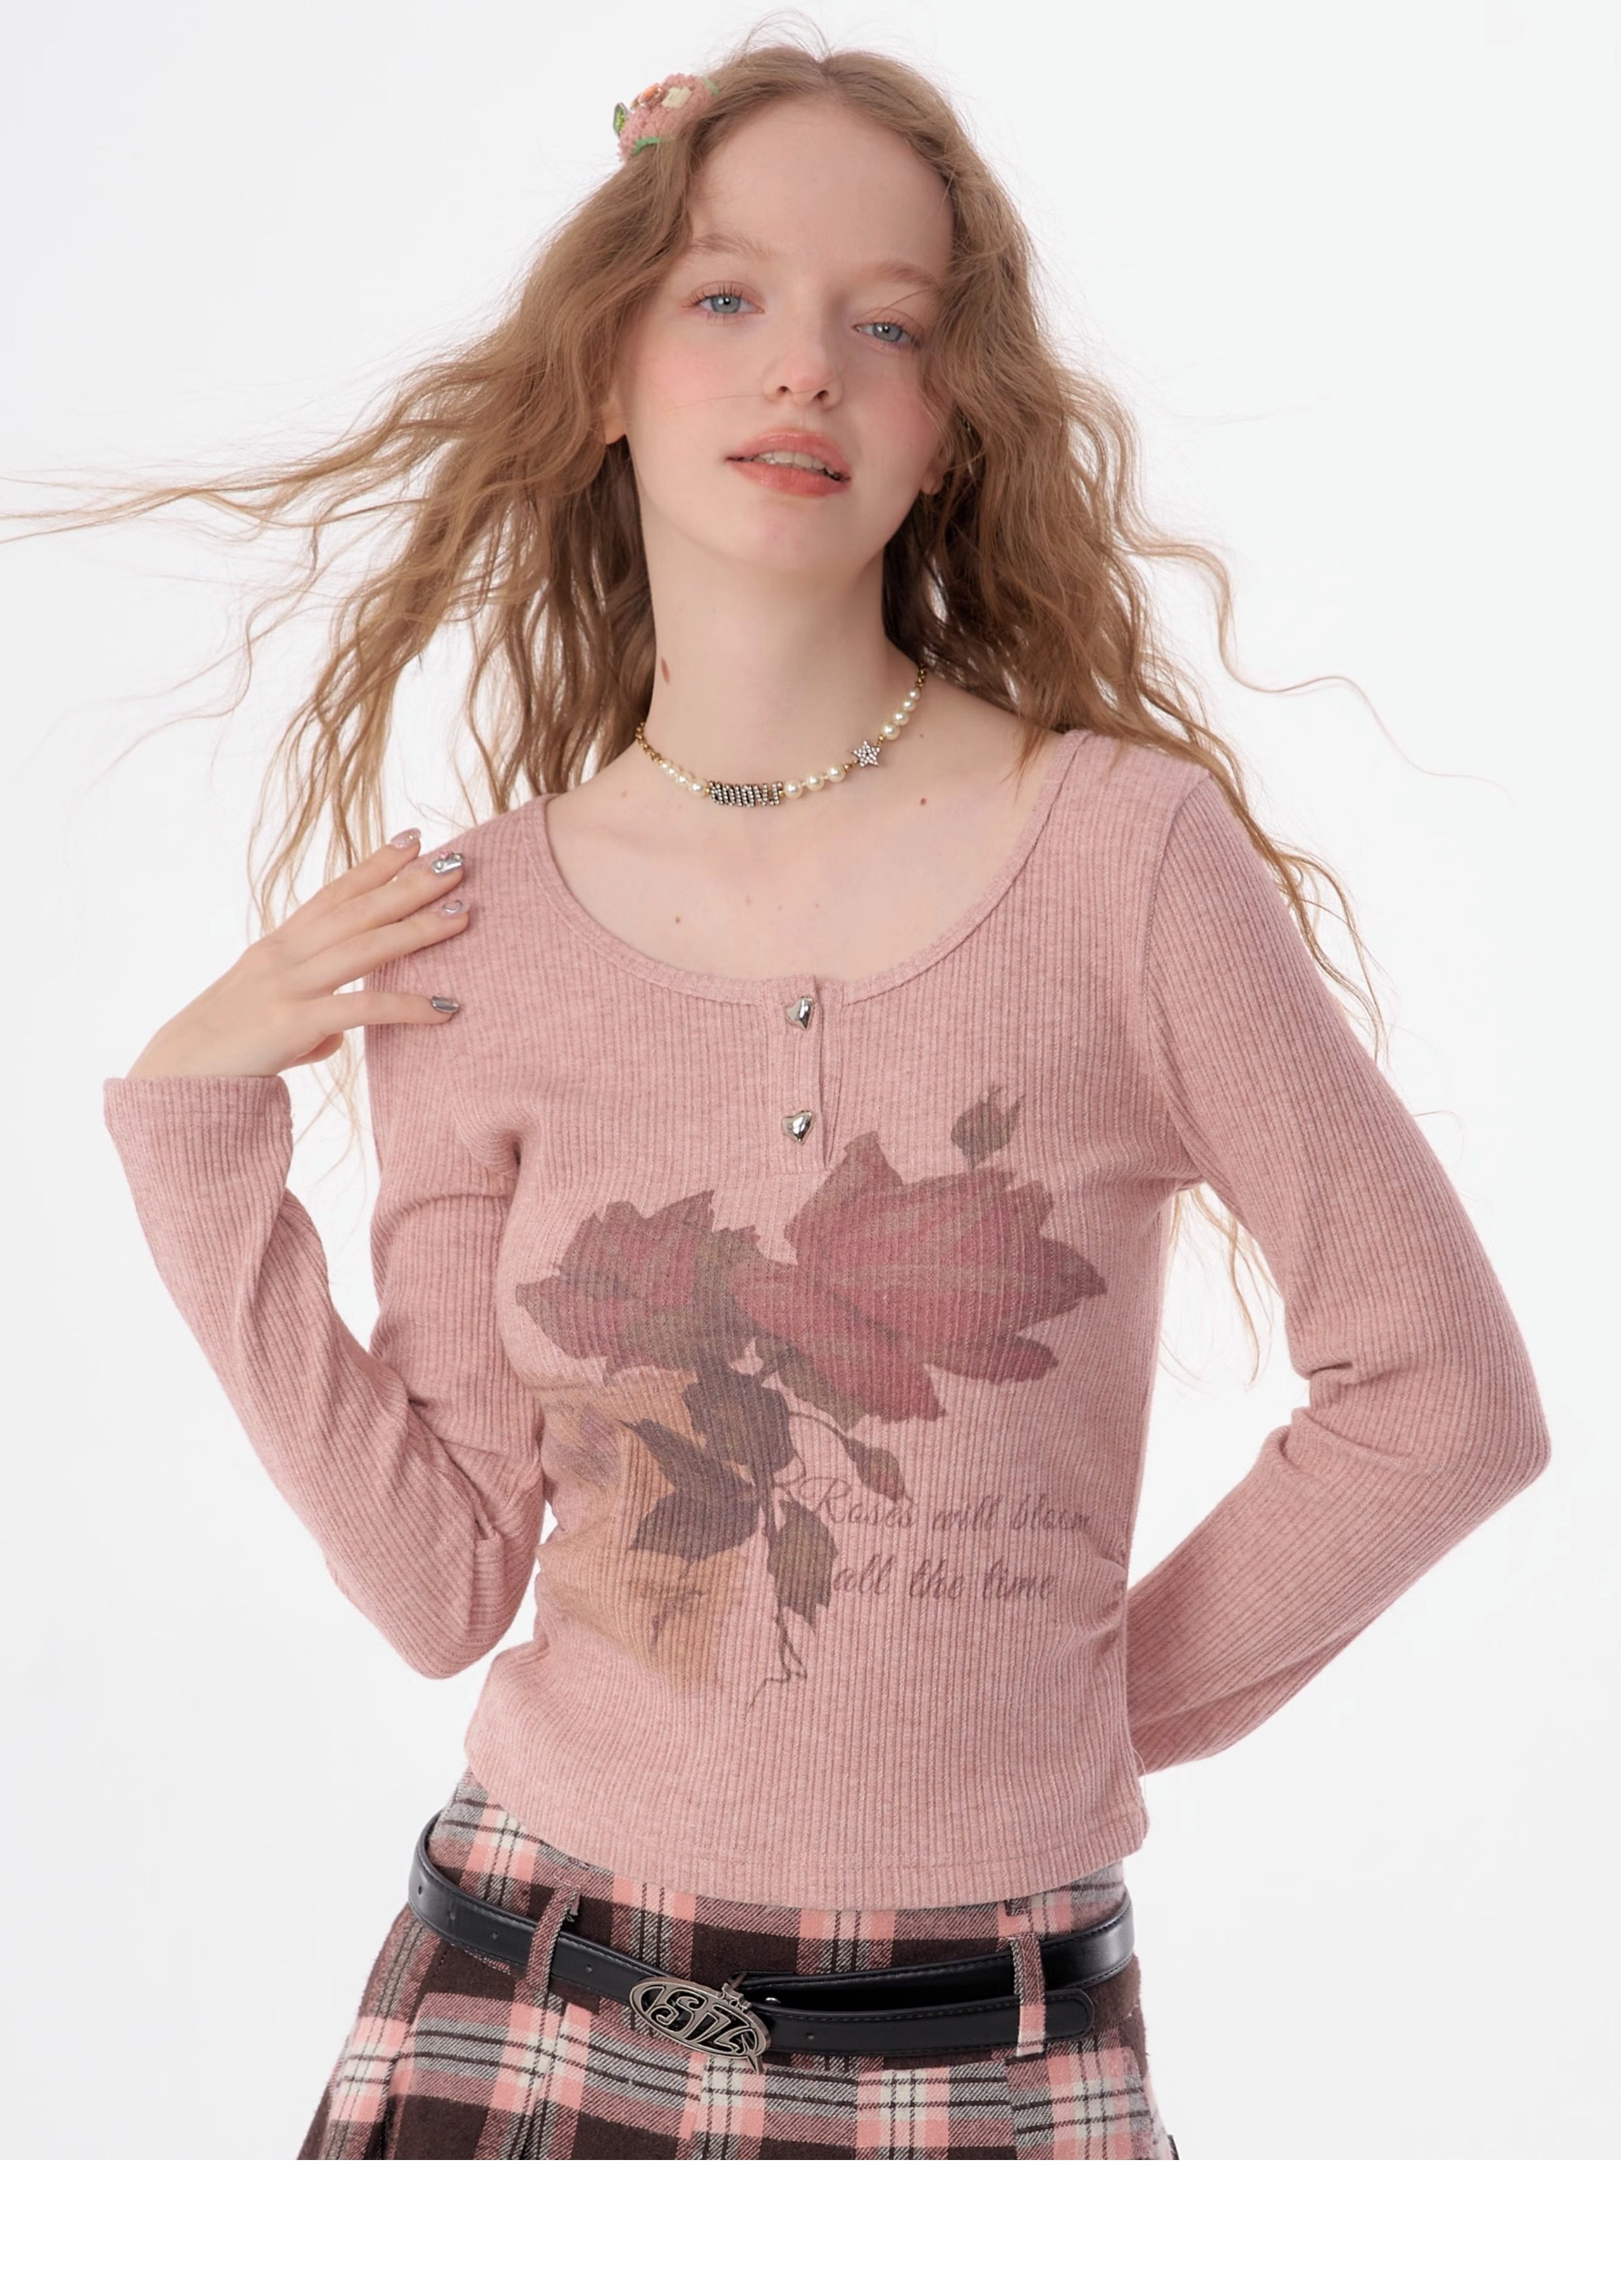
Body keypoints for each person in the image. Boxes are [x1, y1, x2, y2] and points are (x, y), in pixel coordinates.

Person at [90, 35, 1549, 2159]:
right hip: (521, 2016)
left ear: (952, 428)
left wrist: (1064, 1704)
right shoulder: (476, 935)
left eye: (891, 326)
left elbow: (1444, 1398)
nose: (806, 369)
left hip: (1001, 2062)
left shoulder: (1126, 865)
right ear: (607, 368)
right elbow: (437, 1583)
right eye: (727, 295)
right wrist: (196, 1128)